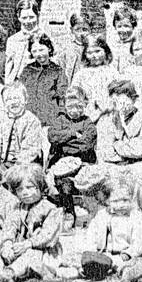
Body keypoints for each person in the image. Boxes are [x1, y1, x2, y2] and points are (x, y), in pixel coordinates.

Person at [0, 164, 70, 282]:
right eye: (20, 189)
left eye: (30, 187)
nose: (25, 192)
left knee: (30, 255)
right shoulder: (18, 208)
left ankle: (10, 275)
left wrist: (28, 244)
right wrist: (8, 243)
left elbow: (48, 235)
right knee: (1, 253)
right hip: (20, 246)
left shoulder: (50, 209)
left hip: (42, 250)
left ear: (40, 187)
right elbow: (10, 227)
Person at [77, 79, 142, 212]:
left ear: (134, 99)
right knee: (93, 175)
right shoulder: (107, 120)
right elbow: (105, 152)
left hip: (140, 163)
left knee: (137, 175)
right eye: (117, 102)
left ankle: (136, 214)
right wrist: (122, 146)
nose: (122, 107)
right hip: (114, 164)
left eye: (125, 102)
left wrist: (117, 144)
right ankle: (102, 215)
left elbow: (138, 150)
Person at [46, 85, 98, 228]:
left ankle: (93, 215)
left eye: (78, 107)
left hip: (83, 162)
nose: (74, 111)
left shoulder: (88, 123)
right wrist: (73, 134)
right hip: (62, 163)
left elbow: (86, 144)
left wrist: (63, 142)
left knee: (88, 181)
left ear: (84, 105)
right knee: (63, 184)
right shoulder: (60, 120)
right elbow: (52, 136)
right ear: (65, 106)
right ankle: (69, 212)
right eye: (70, 107)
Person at [80, 181, 142, 282]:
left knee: (137, 263)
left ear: (132, 199)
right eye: (115, 201)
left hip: (125, 257)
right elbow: (91, 236)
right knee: (88, 261)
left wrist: (128, 253)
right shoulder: (101, 216)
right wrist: (91, 250)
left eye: (125, 200)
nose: (121, 205)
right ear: (107, 201)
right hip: (103, 257)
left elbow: (140, 242)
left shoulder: (135, 217)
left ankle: (127, 274)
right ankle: (93, 270)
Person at [0, 82, 44, 173]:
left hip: (25, 165)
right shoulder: (1, 119)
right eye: (8, 99)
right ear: (4, 103)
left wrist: (16, 168)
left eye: (17, 98)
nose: (13, 102)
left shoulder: (32, 121)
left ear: (25, 100)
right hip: (3, 164)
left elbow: (30, 150)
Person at [18, 32, 68, 127]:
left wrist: (61, 115)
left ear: (49, 48)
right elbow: (20, 91)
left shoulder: (57, 71)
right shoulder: (27, 70)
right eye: (34, 51)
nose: (39, 54)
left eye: (41, 50)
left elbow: (62, 95)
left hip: (50, 117)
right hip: (29, 116)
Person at [71, 33, 115, 121]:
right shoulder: (81, 74)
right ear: (85, 54)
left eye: (98, 51)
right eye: (90, 53)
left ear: (105, 51)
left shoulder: (112, 72)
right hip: (88, 114)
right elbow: (74, 95)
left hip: (109, 114)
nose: (94, 56)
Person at [4, 0, 43, 82]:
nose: (28, 21)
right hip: (16, 83)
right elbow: (9, 65)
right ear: (18, 17)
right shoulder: (13, 40)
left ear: (38, 15)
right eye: (24, 18)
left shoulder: (44, 38)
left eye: (31, 17)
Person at [109, 6, 139, 71]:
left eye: (126, 26)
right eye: (119, 26)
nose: (123, 30)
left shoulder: (137, 45)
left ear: (133, 27)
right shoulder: (113, 45)